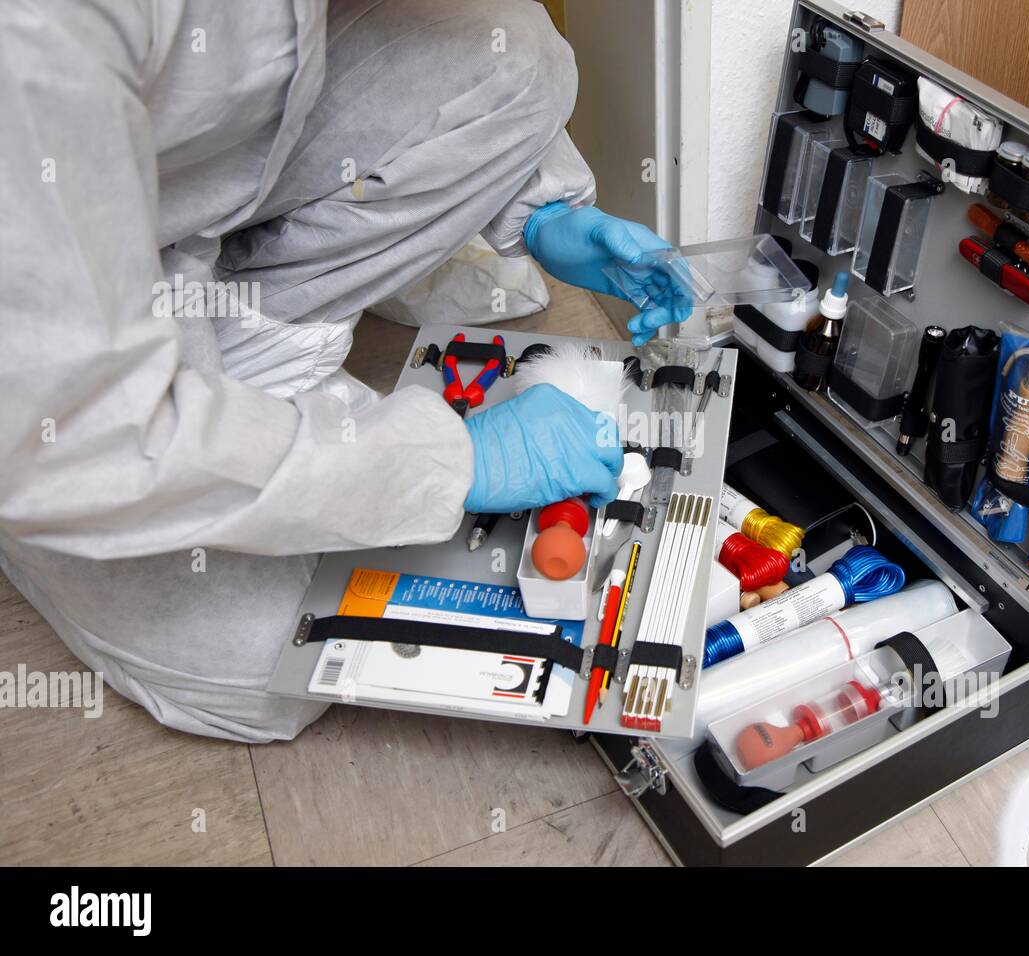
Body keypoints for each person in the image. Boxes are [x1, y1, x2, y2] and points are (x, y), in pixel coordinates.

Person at [0, 0, 691, 742]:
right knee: (275, 665)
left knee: (511, 58)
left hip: (170, 186)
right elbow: (89, 430)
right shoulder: (42, 35)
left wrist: (540, 209)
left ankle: (239, 398)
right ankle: (46, 513)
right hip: (43, 360)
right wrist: (456, 461)